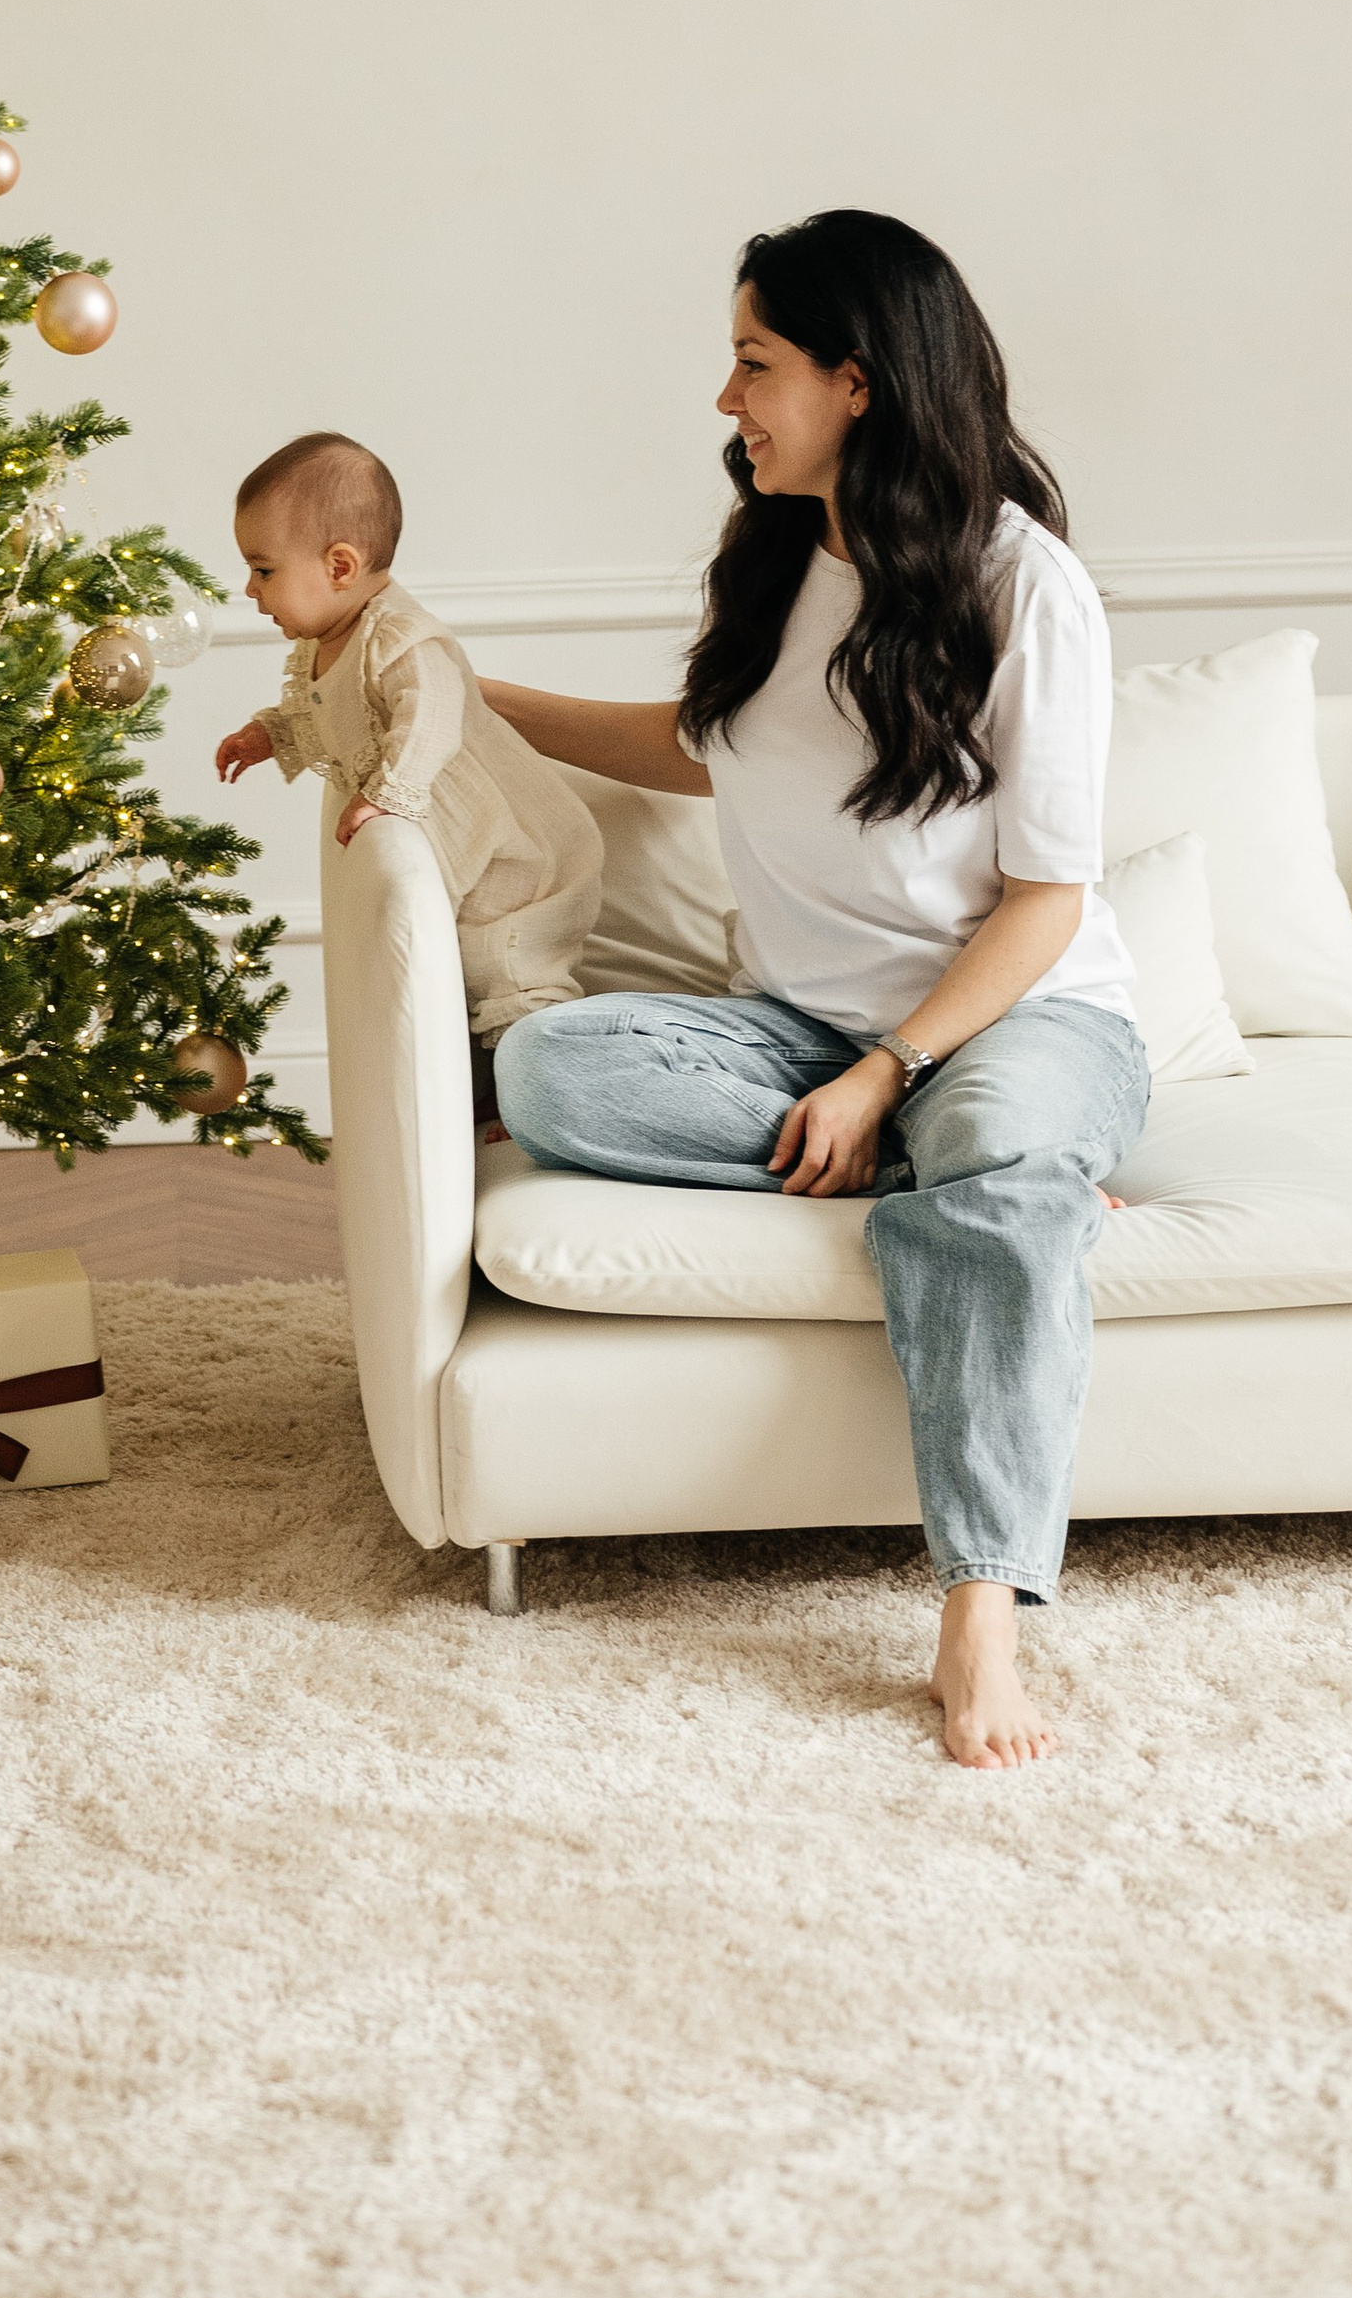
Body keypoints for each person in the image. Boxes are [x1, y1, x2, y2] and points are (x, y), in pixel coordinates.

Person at [485, 212, 1148, 1772]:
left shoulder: (1023, 586)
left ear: (858, 382)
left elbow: (1048, 905)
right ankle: (998, 1174)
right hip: (804, 1031)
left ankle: (979, 1607)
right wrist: (457, 693)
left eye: (755, 364)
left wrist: (891, 1071)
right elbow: (695, 744)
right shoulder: (780, 553)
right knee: (552, 1076)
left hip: (1020, 1018)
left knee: (994, 1117)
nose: (729, 400)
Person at [215, 430, 603, 1042]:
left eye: (263, 569)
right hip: (456, 851)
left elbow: (434, 712)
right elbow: (328, 712)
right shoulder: (324, 642)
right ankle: (488, 1080)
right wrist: (271, 733)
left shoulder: (398, 635)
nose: (250, 589)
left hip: (506, 855)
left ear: (339, 566)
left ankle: (539, 1067)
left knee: (503, 967)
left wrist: (389, 792)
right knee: (450, 977)